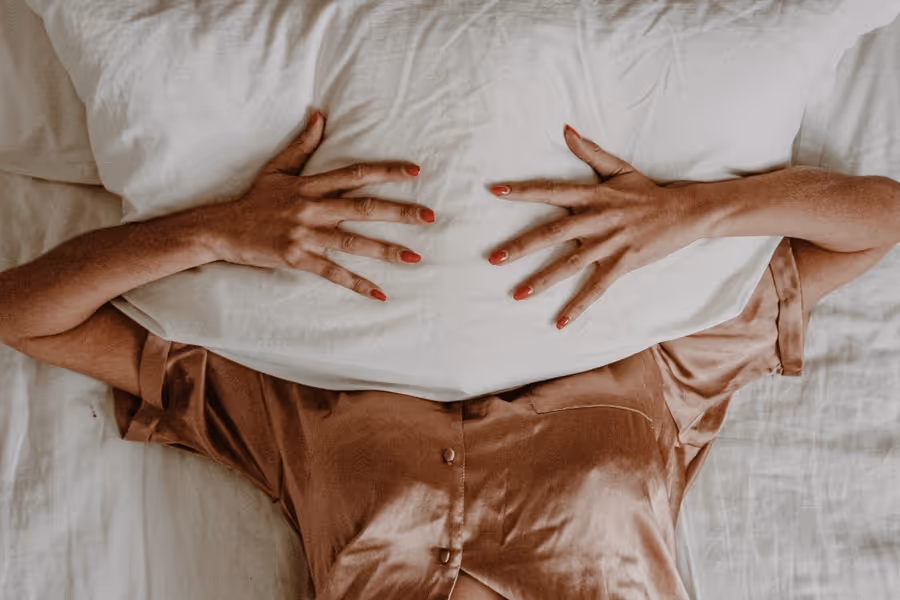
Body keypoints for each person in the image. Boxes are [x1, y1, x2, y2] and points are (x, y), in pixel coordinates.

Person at [1, 111, 898, 600]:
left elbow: (26, 317)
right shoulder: (664, 404)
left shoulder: (288, 437)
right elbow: (880, 221)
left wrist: (217, 234)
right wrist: (696, 212)